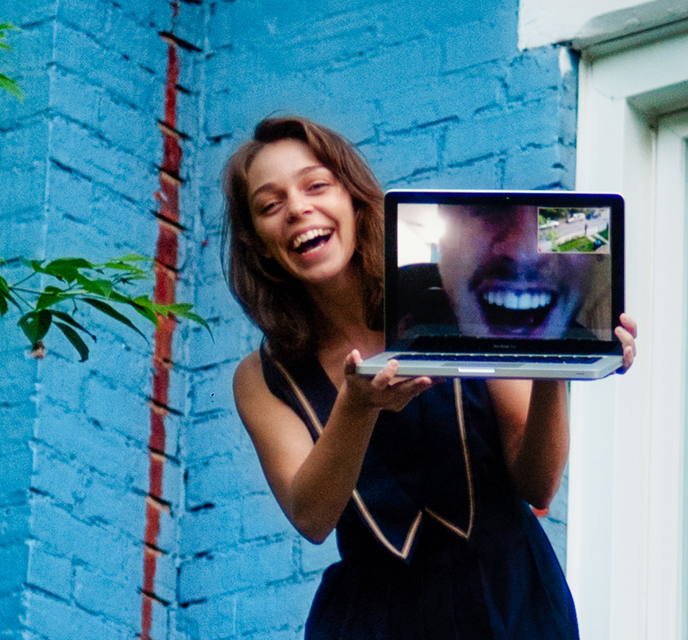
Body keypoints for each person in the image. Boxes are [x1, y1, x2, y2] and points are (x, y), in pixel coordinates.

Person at [222, 116, 638, 639]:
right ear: (258, 243)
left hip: (513, 604)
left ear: (352, 199)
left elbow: (536, 482)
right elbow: (311, 515)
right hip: (374, 620)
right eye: (269, 204)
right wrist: (357, 407)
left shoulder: (459, 293)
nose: (298, 207)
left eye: (316, 185)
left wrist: (553, 361)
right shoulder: (264, 377)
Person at [436, 204, 610, 339]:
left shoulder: (594, 350)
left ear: (598, 249)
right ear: (442, 240)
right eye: (488, 206)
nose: (523, 253)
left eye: (566, 216)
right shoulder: (414, 352)